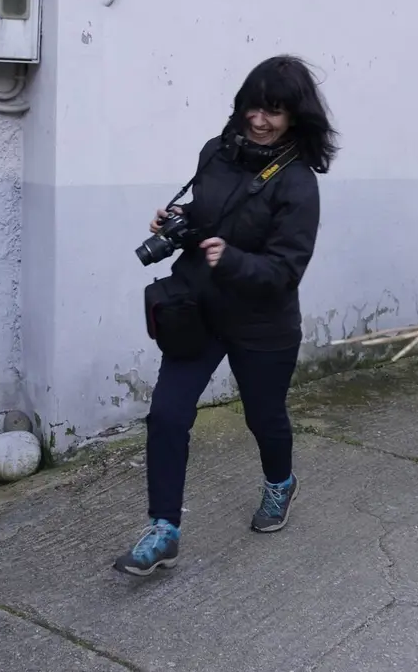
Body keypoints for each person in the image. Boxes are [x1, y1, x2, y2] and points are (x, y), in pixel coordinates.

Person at [113, 55, 338, 577]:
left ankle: (280, 483)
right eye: (253, 106)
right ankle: (163, 529)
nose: (260, 119)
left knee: (264, 418)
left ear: (295, 117)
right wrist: (178, 221)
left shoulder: (299, 183)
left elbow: (286, 269)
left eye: (275, 111)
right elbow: (209, 213)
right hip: (199, 310)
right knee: (167, 415)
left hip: (264, 322)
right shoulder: (216, 152)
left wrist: (230, 258)